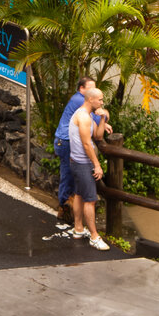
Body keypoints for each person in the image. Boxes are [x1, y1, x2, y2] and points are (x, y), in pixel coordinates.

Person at [53, 77, 111, 232]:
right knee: (68, 176)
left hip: (68, 142)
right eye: (90, 88)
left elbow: (96, 123)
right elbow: (94, 133)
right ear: (83, 90)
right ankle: (64, 210)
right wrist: (104, 116)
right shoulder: (80, 101)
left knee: (74, 184)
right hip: (66, 142)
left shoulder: (84, 106)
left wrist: (102, 120)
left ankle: (75, 221)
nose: (100, 101)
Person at [67, 85, 112, 250]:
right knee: (90, 200)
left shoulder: (88, 115)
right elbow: (87, 144)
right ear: (91, 99)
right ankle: (94, 236)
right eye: (100, 99)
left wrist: (103, 119)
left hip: (77, 162)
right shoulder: (83, 117)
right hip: (82, 163)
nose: (102, 102)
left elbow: (98, 136)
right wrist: (97, 165)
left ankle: (78, 228)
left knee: (79, 194)